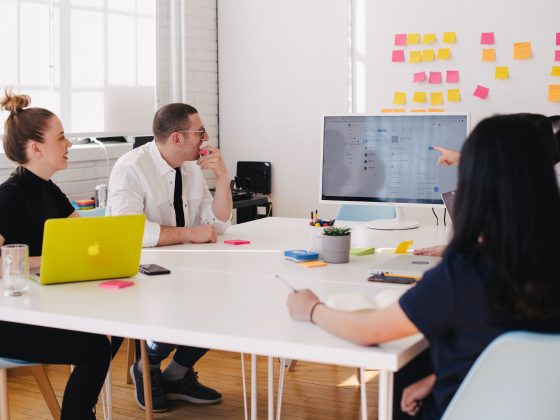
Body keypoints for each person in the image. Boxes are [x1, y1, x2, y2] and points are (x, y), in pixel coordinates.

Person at [287, 114, 560, 419]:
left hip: (465, 410)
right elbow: (517, 346)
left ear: (476, 184)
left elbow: (369, 331)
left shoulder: (463, 274)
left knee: (406, 365)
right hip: (535, 407)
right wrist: (437, 378)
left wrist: (311, 309)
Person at [106, 103, 232, 412]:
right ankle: (146, 364)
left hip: (183, 266)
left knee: (228, 300)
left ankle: (176, 374)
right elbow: (129, 232)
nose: (204, 138)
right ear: (177, 138)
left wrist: (224, 178)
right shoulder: (130, 168)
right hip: (137, 271)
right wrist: (189, 234)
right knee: (186, 302)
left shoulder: (190, 168)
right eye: (199, 132)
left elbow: (217, 222)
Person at [0, 90, 112, 419]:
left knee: (113, 330)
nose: (70, 144)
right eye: (61, 137)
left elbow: (82, 239)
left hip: (40, 309)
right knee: (95, 347)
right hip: (9, 321)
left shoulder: (49, 189)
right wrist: (46, 261)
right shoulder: (9, 196)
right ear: (36, 148)